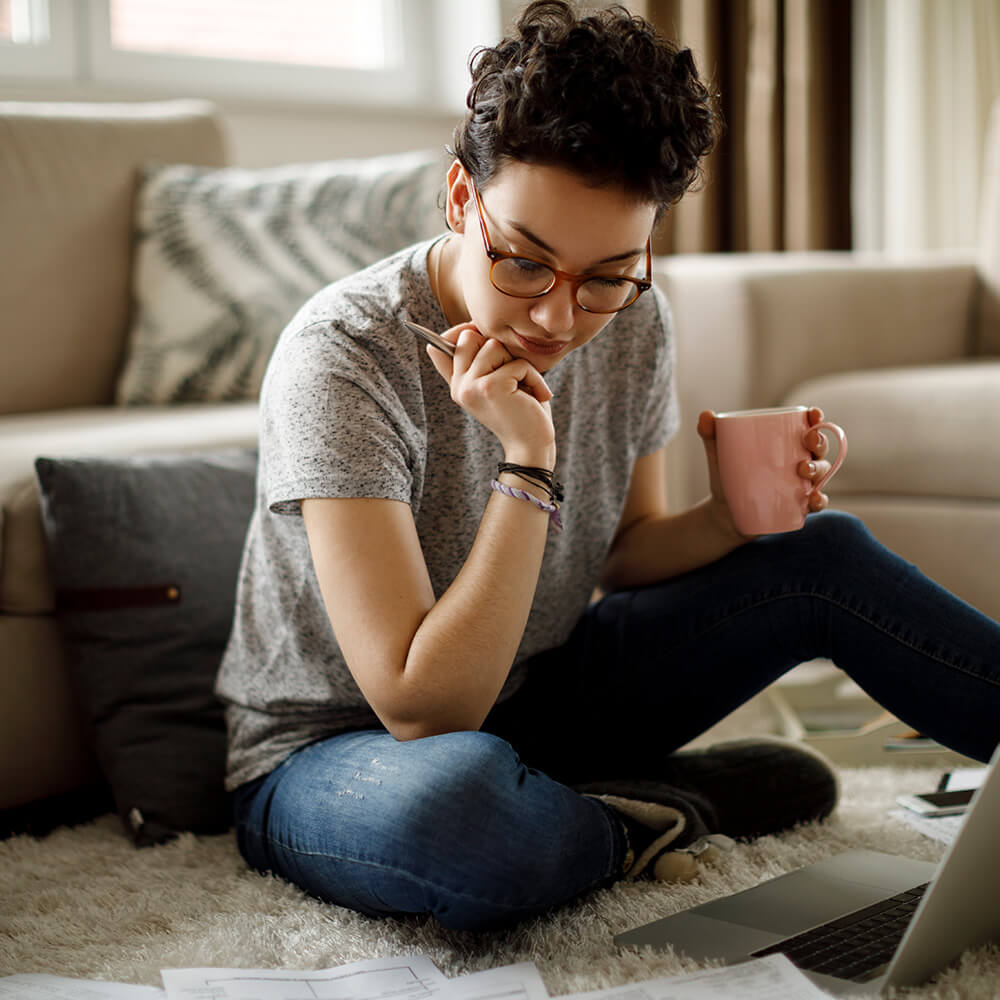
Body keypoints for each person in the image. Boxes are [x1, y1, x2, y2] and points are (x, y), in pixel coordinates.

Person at [216, 1, 1000, 931]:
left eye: (607, 275)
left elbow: (622, 551)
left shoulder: (636, 319)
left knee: (822, 554)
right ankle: (660, 810)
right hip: (340, 750)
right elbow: (423, 708)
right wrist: (528, 463)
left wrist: (726, 521)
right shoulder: (344, 354)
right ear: (463, 200)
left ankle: (589, 797)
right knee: (461, 817)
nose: (558, 318)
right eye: (525, 264)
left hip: (544, 694)